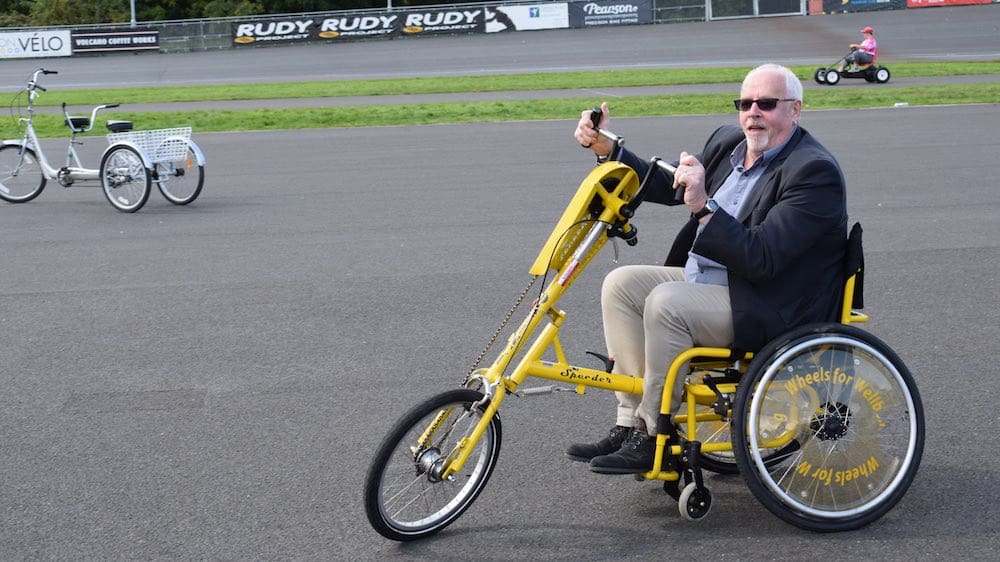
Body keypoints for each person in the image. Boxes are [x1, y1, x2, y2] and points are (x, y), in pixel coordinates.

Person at [567, 63, 848, 474]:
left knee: (667, 302)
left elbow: (762, 259)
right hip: (714, 282)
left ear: (795, 110)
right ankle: (629, 422)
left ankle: (654, 431)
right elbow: (671, 186)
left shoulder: (812, 172)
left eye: (767, 104)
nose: (753, 112)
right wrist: (609, 151)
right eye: (745, 103)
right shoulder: (729, 143)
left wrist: (703, 206)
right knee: (621, 284)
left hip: (768, 302)